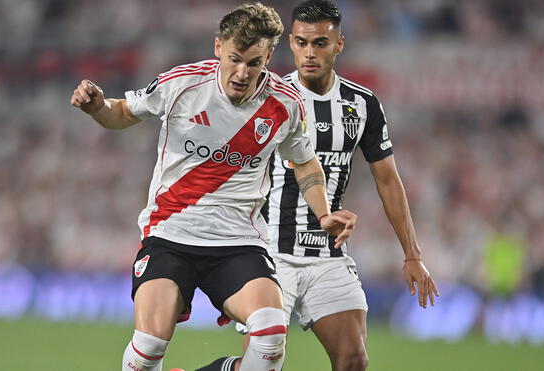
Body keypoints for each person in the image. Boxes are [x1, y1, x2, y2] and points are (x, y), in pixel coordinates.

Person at [70, 3, 357, 371]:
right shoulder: (182, 84)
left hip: (239, 242)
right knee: (146, 350)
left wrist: (324, 213)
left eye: (254, 63)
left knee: (270, 339)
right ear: (218, 47)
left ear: (269, 56)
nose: (242, 73)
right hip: (171, 235)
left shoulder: (285, 104)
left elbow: (303, 160)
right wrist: (98, 107)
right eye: (235, 58)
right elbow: (123, 112)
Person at [196, 1, 439, 371]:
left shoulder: (363, 104)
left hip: (328, 254)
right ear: (290, 44)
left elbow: (388, 181)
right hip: (267, 254)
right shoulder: (264, 96)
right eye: (301, 42)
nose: (310, 53)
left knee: (354, 360)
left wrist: (412, 254)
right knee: (262, 365)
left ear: (339, 44)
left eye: (321, 43)